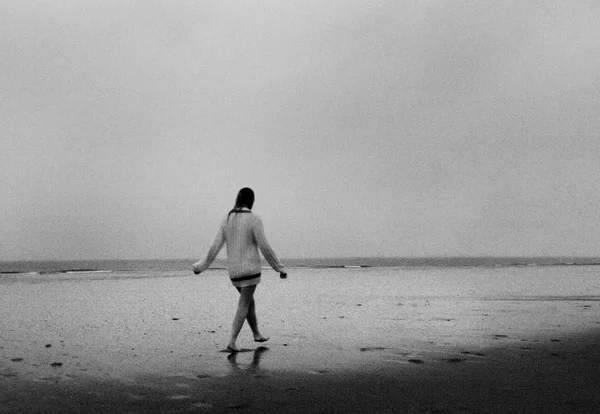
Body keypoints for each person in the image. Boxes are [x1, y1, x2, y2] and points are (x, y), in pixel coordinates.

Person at [192, 187, 287, 352]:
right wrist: (279, 268)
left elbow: (215, 246)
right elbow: (264, 246)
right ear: (252, 200)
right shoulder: (254, 218)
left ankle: (256, 333)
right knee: (244, 304)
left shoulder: (227, 219)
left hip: (234, 271)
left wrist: (201, 266)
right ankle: (232, 340)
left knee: (249, 301)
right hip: (250, 269)